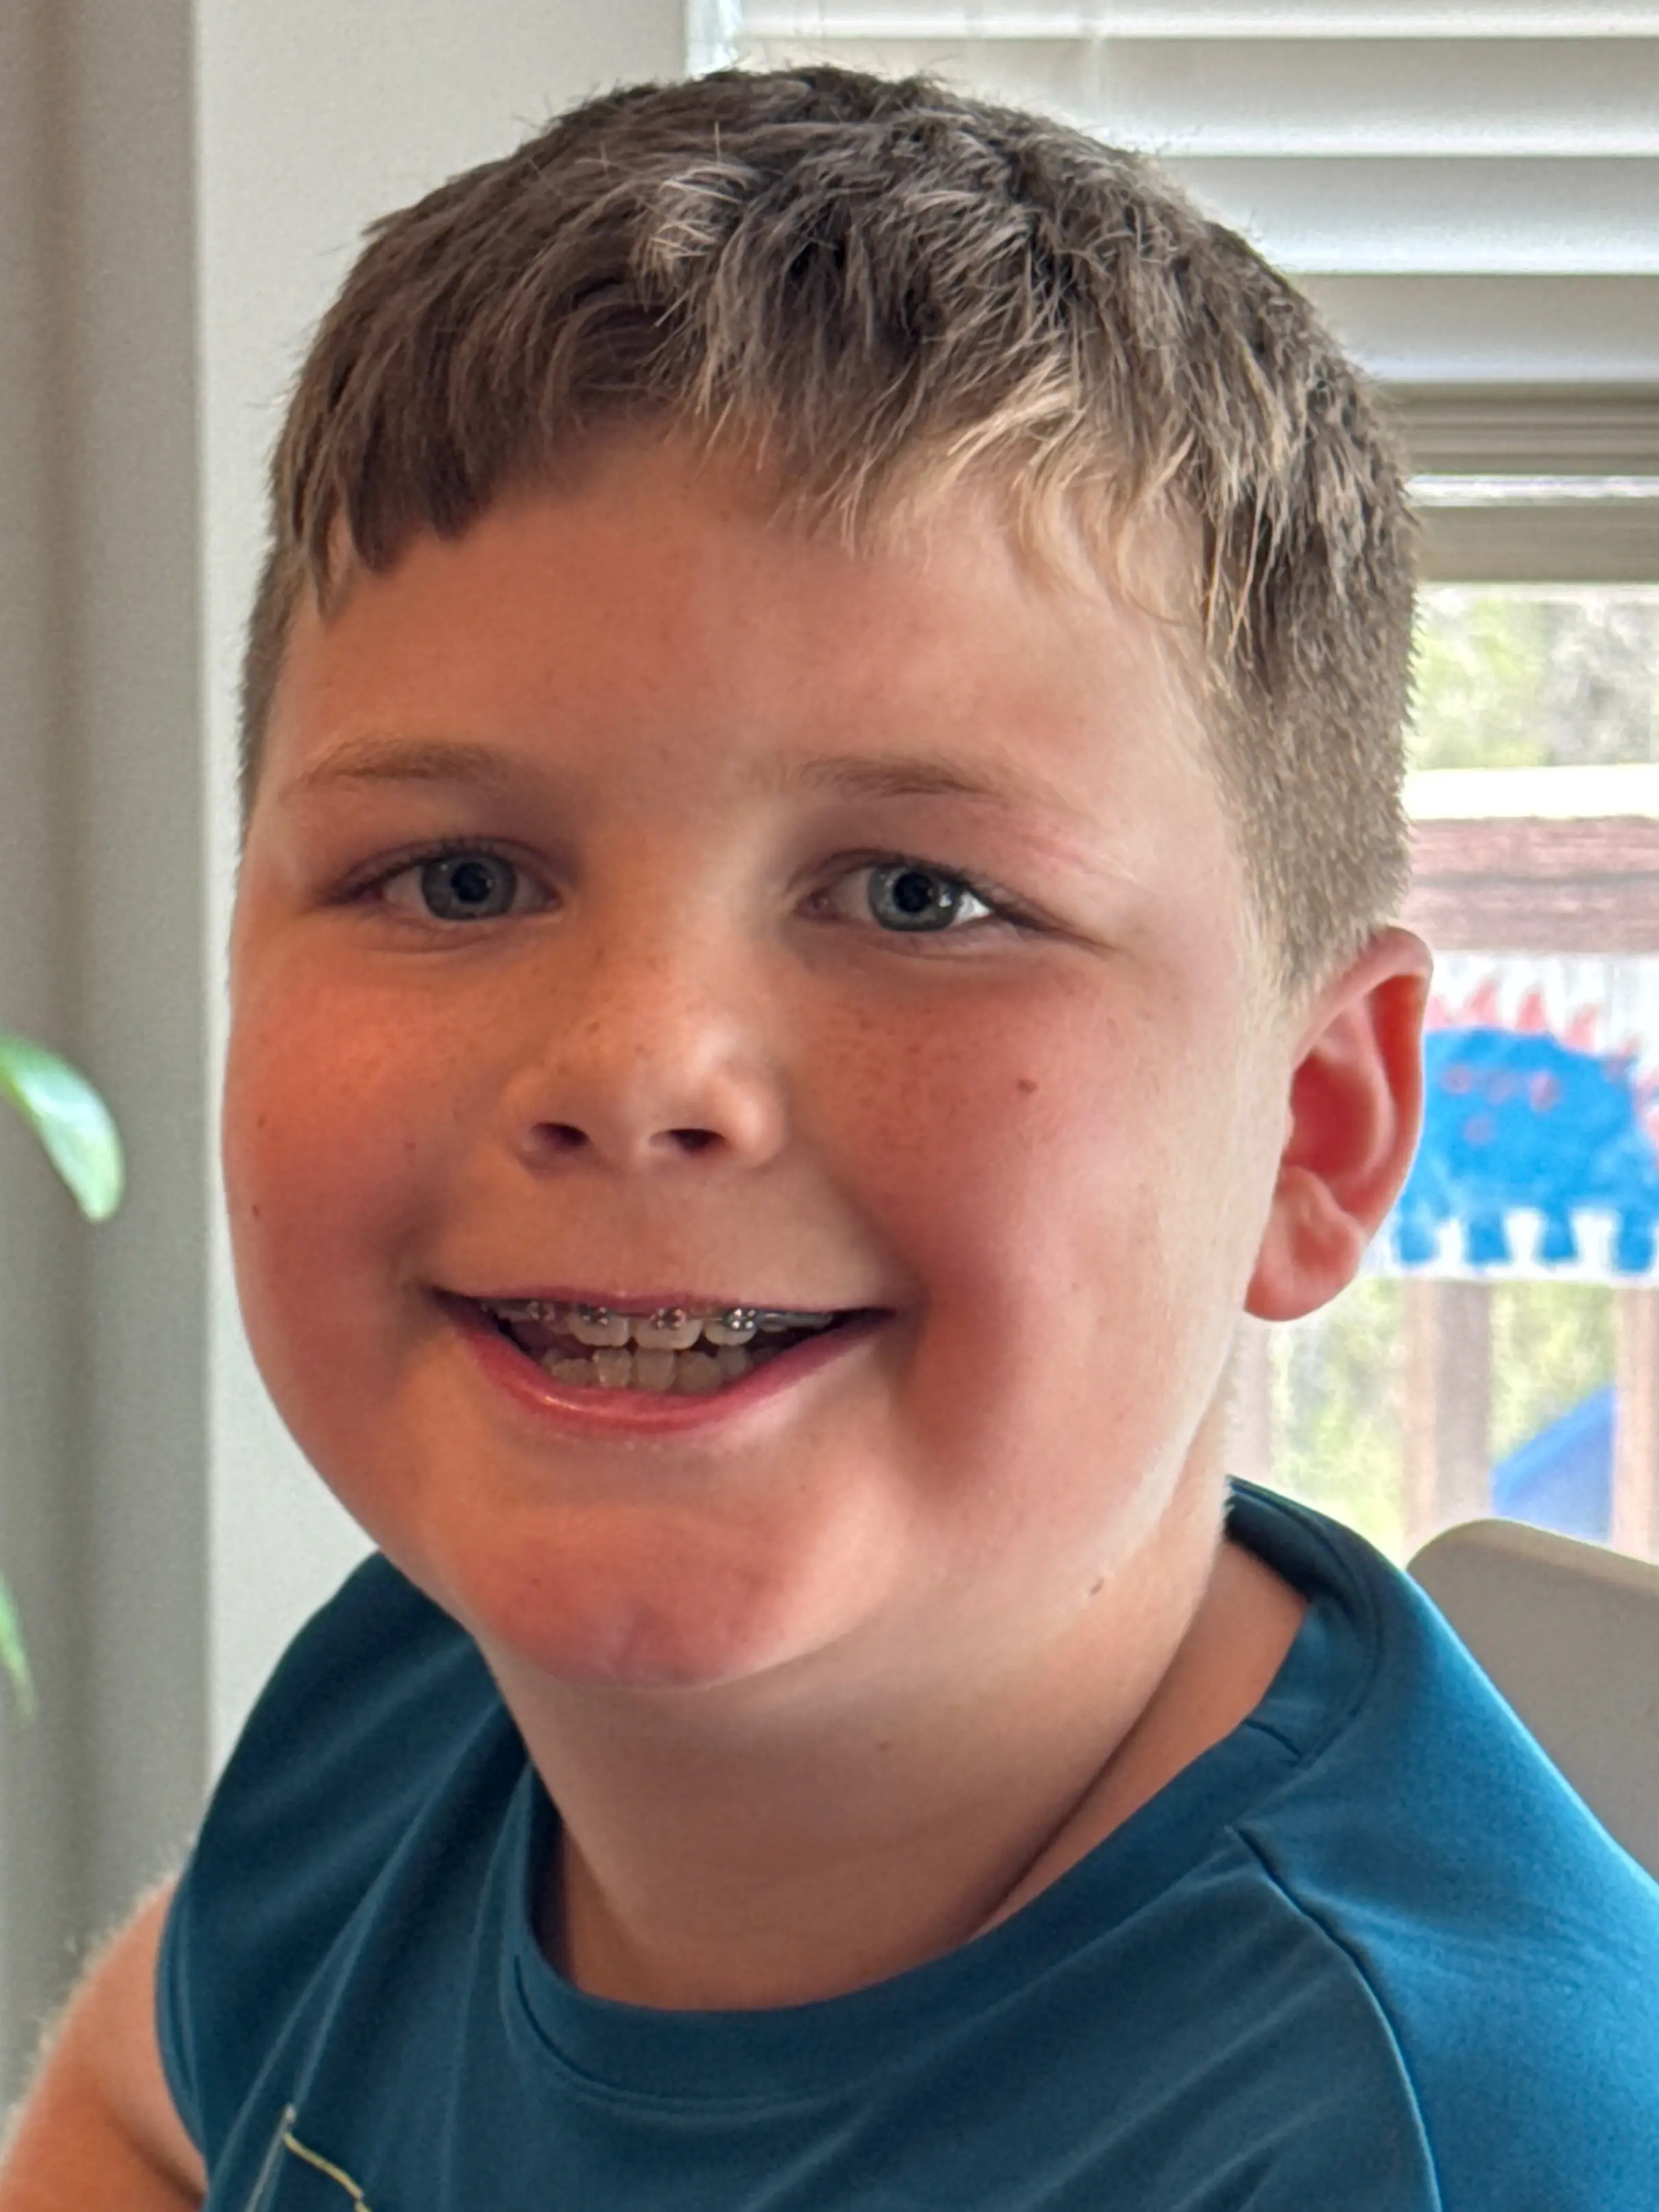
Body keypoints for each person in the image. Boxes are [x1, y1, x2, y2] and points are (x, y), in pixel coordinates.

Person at [3, 62, 1657, 2211]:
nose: (637, 1066)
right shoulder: (425, 1697)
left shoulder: (1441, 2154)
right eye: (459, 877)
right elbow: (138, 2103)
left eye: (920, 898)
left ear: (1312, 1134)